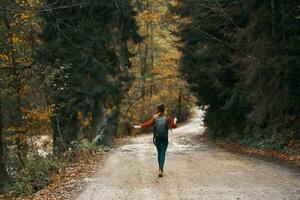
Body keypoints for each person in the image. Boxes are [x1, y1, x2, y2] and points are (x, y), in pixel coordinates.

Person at [134, 103, 177, 177]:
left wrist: (139, 126)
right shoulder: (168, 118)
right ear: (164, 110)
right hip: (164, 138)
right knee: (163, 153)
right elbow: (174, 126)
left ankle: (160, 169)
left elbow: (148, 124)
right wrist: (175, 120)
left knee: (159, 153)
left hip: (157, 138)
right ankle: (161, 169)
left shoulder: (155, 117)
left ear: (158, 110)